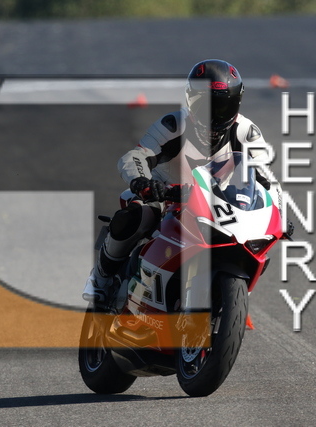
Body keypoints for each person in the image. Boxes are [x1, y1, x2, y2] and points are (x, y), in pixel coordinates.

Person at [82, 59, 280, 306]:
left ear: (236, 104)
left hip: (218, 205)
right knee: (135, 217)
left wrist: (277, 214)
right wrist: (142, 182)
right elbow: (136, 156)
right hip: (164, 195)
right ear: (190, 100)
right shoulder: (173, 124)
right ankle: (100, 279)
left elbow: (265, 181)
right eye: (204, 105)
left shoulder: (247, 133)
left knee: (254, 242)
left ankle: (229, 302)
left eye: (221, 107)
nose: (213, 116)